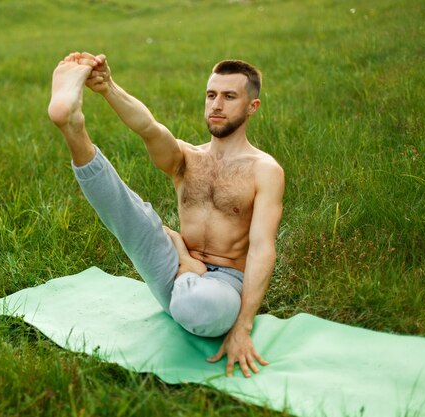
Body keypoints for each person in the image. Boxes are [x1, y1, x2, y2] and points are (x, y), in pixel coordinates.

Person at [47, 52, 285, 378]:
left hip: (223, 284)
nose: (216, 105)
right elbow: (148, 128)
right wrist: (107, 87)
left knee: (200, 307)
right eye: (211, 95)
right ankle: (73, 128)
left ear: (251, 107)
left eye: (230, 97)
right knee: (126, 213)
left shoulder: (265, 170)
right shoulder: (187, 157)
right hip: (171, 265)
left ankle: (187, 286)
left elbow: (261, 248)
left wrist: (242, 327)